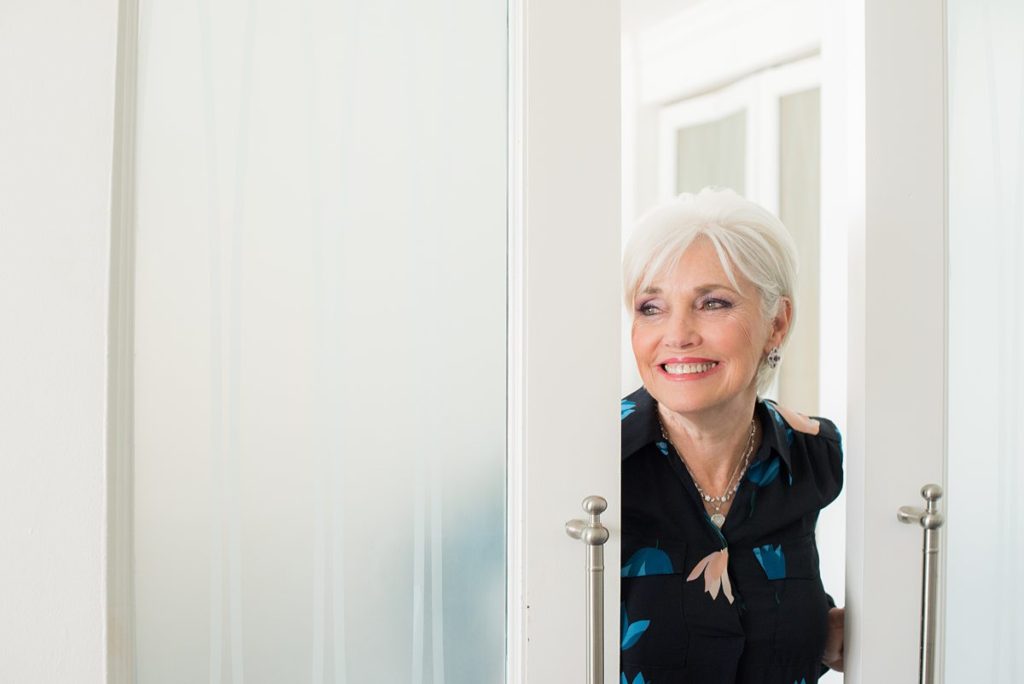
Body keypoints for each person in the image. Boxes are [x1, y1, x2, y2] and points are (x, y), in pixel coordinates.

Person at [620, 188, 845, 683]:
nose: (677, 335)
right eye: (651, 307)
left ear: (776, 323)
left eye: (713, 303)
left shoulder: (815, 456)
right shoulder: (589, 464)